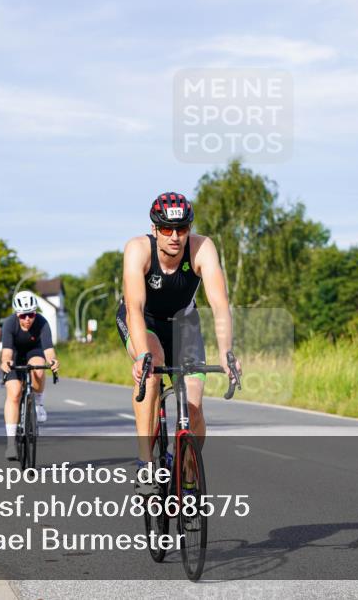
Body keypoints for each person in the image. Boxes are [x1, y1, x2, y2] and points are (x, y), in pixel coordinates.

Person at [116, 192, 241, 495]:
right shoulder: (137, 249)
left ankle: (187, 471)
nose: (175, 237)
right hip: (144, 320)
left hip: (184, 323)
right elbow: (133, 307)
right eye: (168, 230)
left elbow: (220, 303)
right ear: (155, 228)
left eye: (182, 229)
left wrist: (226, 350)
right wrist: (142, 354)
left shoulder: (202, 248)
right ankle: (146, 464)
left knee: (194, 408)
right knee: (153, 366)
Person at [0, 291, 59, 460]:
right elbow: (6, 354)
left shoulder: (42, 323)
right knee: (15, 392)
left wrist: (53, 361)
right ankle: (11, 445)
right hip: (15, 354)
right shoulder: (10, 324)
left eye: (31, 314)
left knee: (38, 369)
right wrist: (6, 362)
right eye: (23, 315)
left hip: (34, 351)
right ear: (17, 314)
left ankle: (38, 403)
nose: (27, 319)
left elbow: (48, 351)